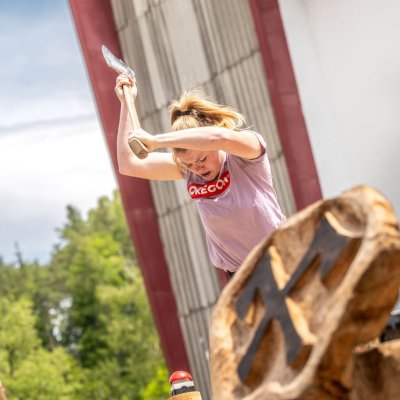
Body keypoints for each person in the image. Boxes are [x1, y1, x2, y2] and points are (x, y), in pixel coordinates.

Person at [115, 74, 286, 278]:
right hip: (241, 276)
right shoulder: (188, 172)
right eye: (189, 164)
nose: (197, 168)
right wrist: (126, 102)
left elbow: (219, 137)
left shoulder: (245, 156)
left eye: (202, 159)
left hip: (279, 258)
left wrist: (156, 141)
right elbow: (128, 164)